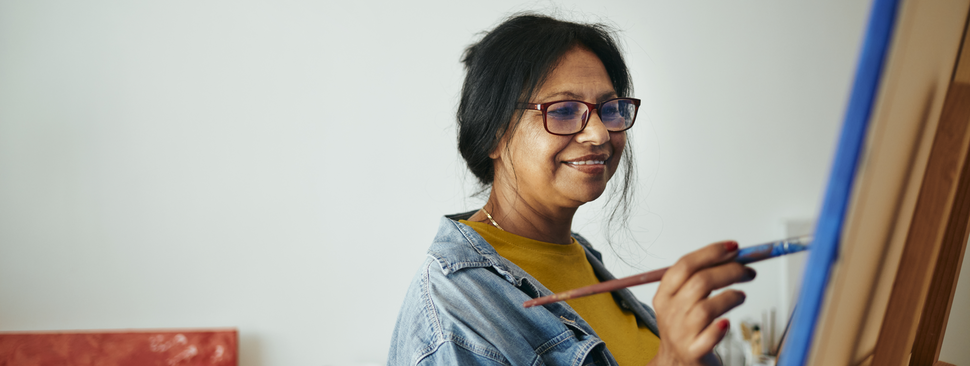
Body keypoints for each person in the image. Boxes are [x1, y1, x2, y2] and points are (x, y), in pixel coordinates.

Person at [387, 14, 755, 366]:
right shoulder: (455, 313)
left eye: (610, 108)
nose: (599, 134)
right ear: (494, 134)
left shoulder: (579, 256)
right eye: (563, 110)